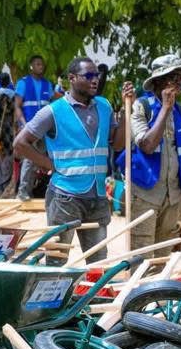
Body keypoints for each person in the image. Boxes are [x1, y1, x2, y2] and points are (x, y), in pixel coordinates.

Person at [14, 56, 133, 263]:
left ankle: (93, 295)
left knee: (98, 263)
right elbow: (20, 144)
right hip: (64, 197)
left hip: (97, 196)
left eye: (96, 75)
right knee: (56, 261)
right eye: (88, 76)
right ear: (72, 78)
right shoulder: (53, 111)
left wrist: (125, 112)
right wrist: (50, 165)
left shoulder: (104, 107)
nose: (95, 80)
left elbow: (118, 144)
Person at [126, 55, 181, 257]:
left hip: (173, 194)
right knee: (141, 256)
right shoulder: (142, 106)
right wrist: (165, 108)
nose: (179, 82)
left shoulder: (180, 111)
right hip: (145, 193)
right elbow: (147, 145)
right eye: (173, 77)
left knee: (163, 256)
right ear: (158, 81)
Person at [14, 55, 54, 201]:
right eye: (37, 64)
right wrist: (24, 125)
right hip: (30, 128)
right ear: (31, 66)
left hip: (45, 128)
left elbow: (51, 103)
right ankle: (23, 191)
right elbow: (17, 106)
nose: (40, 67)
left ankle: (32, 191)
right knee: (30, 159)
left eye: (42, 64)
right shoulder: (23, 83)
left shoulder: (47, 84)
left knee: (43, 160)